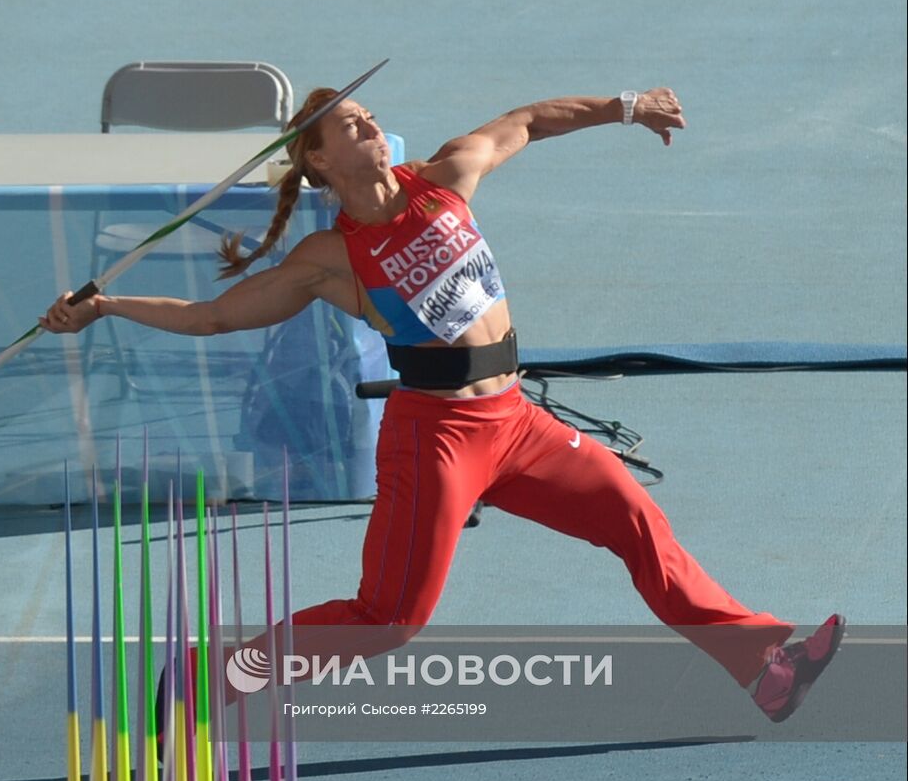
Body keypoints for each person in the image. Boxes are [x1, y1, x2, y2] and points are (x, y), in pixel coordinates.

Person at [42, 85, 845, 724]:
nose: (367, 123)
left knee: (638, 524)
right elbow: (213, 316)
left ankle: (763, 670)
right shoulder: (332, 258)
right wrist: (108, 306)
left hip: (519, 424)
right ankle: (217, 674)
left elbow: (526, 121)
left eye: (366, 114)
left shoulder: (447, 175)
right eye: (345, 125)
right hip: (435, 439)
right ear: (318, 163)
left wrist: (627, 108)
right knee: (389, 619)